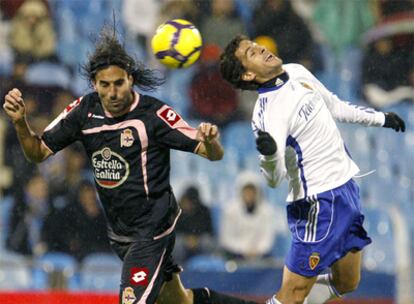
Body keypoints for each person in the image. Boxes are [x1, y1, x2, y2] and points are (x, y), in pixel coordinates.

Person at [3, 27, 257, 304]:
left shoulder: (153, 115)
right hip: (120, 233)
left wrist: (210, 142)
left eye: (118, 83)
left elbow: (213, 154)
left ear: (130, 80)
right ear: (94, 84)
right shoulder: (84, 111)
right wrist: (19, 122)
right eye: (104, 85)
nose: (112, 92)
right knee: (180, 301)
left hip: (152, 232)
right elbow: (37, 153)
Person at [219, 35, 406, 304]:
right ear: (248, 74)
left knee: (347, 282)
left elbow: (334, 106)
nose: (260, 48)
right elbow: (273, 179)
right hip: (317, 204)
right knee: (292, 295)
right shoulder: (267, 114)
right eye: (251, 52)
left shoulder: (295, 71)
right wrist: (269, 154)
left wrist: (380, 118)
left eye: (255, 45)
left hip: (346, 189)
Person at [219, 171, 286, 261]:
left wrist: (257, 250)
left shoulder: (267, 211)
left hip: (261, 255)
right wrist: (244, 249)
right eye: (246, 191)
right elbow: (227, 238)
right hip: (236, 255)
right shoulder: (230, 211)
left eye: (251, 191)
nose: (249, 194)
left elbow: (267, 238)